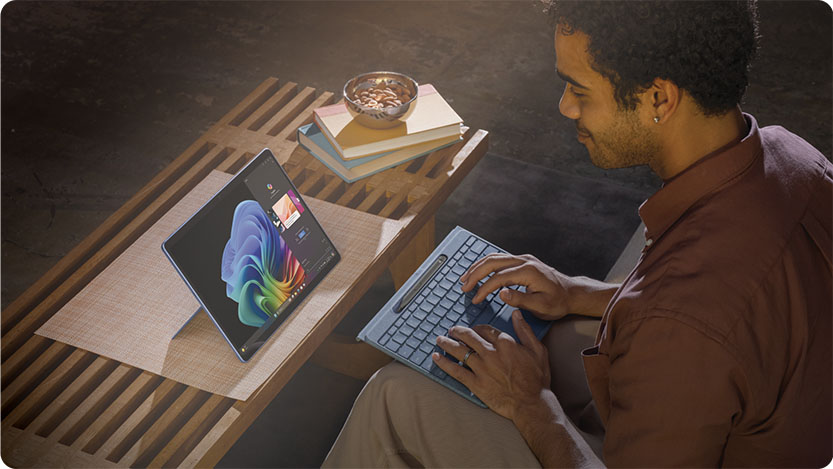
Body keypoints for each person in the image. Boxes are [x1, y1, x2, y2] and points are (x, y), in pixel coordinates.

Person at [324, 1, 833, 467]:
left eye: (579, 89)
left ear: (659, 96)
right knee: (544, 331)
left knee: (395, 394)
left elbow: (688, 320)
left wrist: (531, 406)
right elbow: (720, 314)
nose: (566, 107)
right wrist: (576, 291)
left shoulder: (682, 324)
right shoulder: (793, 158)